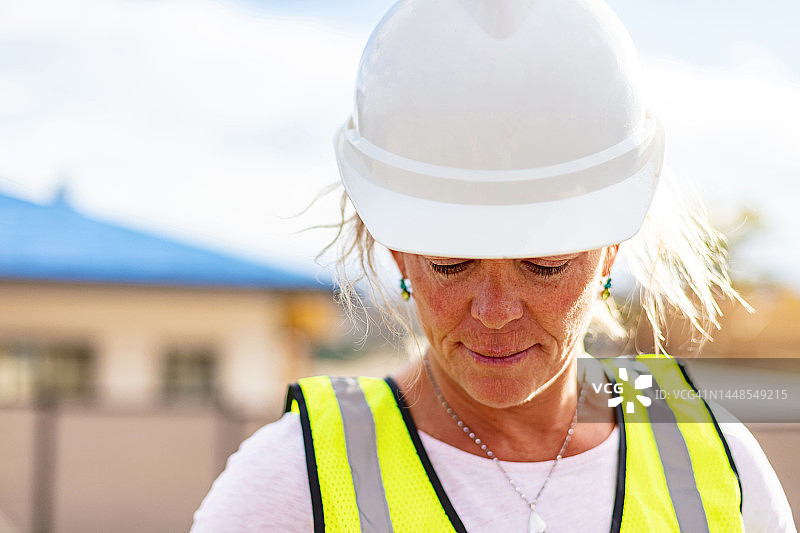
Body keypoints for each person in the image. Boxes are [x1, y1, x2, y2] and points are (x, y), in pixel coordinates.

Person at [191, 0, 797, 531]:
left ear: (612, 248)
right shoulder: (295, 480)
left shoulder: (718, 465)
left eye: (547, 266)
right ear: (398, 249)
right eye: (452, 264)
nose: (496, 312)